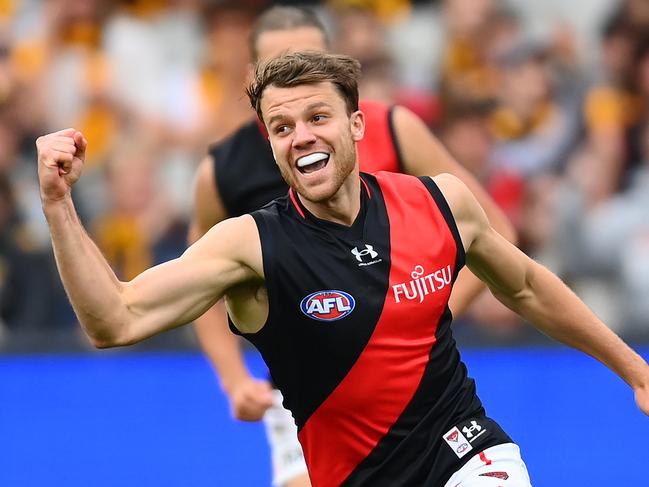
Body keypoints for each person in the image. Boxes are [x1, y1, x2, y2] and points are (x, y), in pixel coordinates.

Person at [38, 51, 649, 487]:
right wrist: (59, 206)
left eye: (317, 118)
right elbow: (113, 320)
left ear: (356, 125)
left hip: (466, 454)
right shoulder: (249, 247)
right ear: (271, 145)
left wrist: (634, 370)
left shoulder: (439, 202)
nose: (300, 136)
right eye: (282, 128)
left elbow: (525, 285)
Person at [189, 7, 516, 486]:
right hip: (307, 400)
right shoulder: (223, 171)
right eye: (279, 64)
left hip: (419, 391)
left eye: (310, 58)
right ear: (252, 79)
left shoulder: (392, 129)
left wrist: (420, 314)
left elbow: (492, 230)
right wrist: (234, 379)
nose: (296, 76)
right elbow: (201, 285)